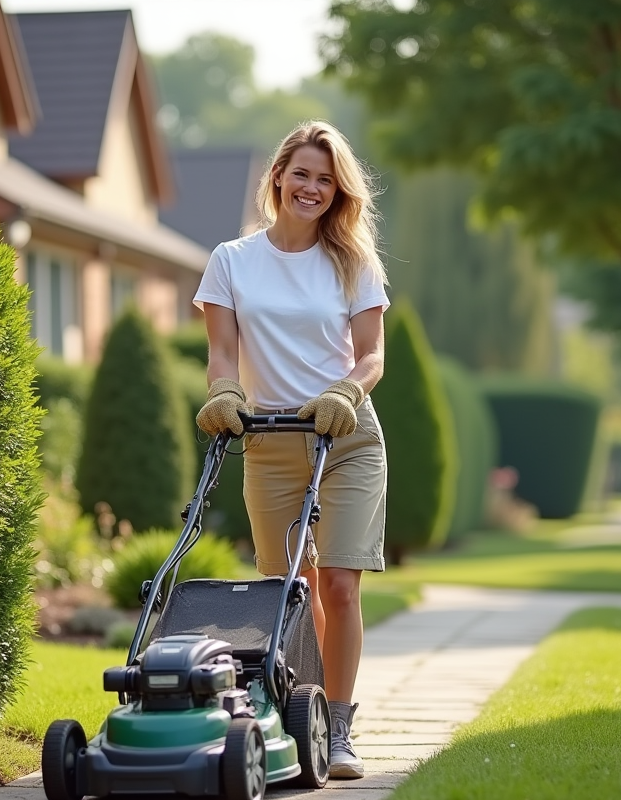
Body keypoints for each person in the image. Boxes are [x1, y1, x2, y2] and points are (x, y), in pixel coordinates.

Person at [192, 120, 389, 780]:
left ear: (339, 193)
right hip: (272, 441)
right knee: (290, 594)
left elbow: (372, 357)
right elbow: (222, 351)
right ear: (277, 176)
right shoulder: (231, 259)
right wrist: (223, 390)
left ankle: (340, 732)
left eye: (326, 180)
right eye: (302, 173)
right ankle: (301, 717)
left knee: (338, 583)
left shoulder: (353, 263)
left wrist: (344, 392)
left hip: (346, 437)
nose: (312, 187)